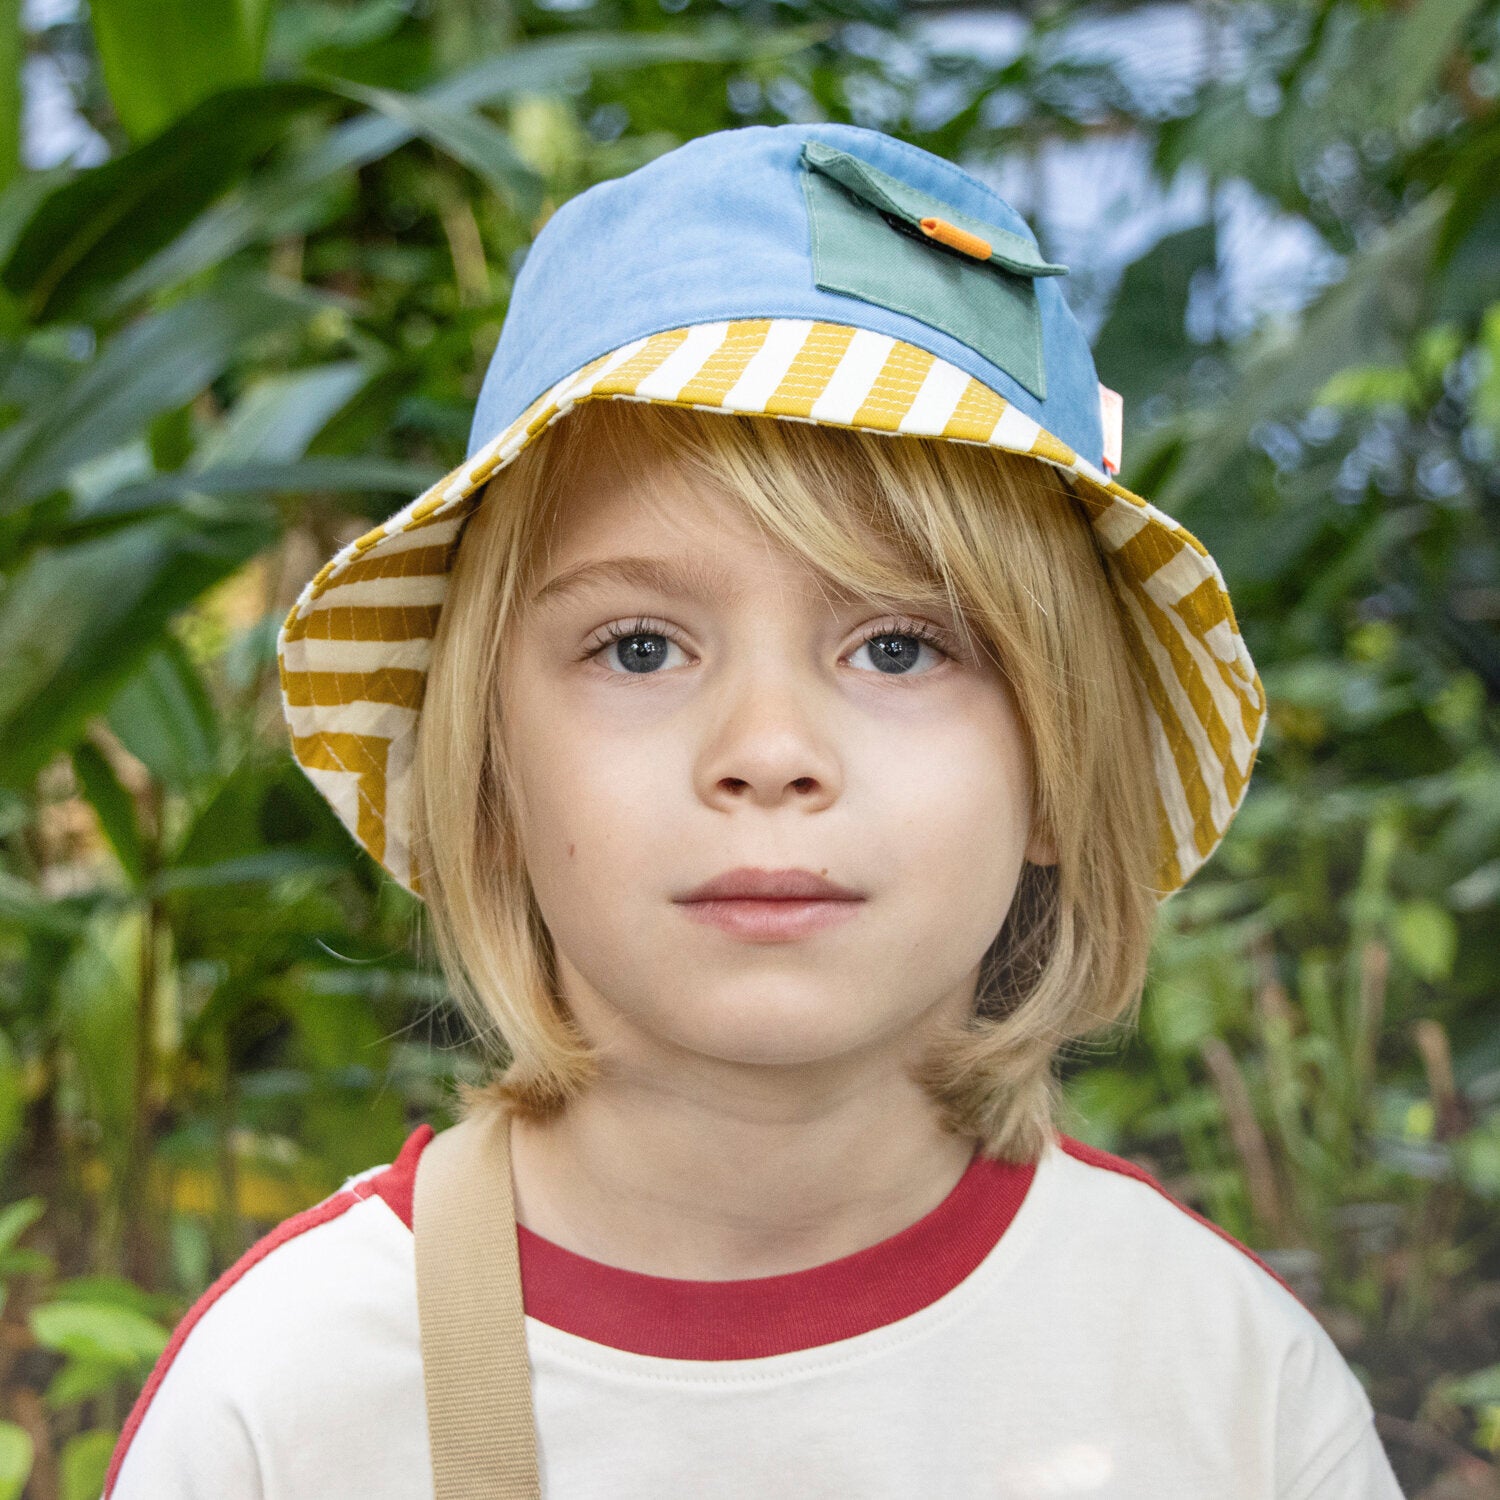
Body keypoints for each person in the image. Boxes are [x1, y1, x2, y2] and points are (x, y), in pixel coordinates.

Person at [104, 122, 1406, 1499]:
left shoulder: (1233, 1395)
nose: (770, 752)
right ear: (490, 773)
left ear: (1057, 766)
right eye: (639, 648)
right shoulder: (287, 1403)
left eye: (899, 646)